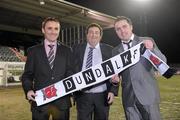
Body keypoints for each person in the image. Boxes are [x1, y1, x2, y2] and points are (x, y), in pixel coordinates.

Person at [112, 16, 167, 120]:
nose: (122, 31)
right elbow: (115, 75)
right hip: (129, 100)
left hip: (148, 96)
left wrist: (153, 49)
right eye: (118, 29)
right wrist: (114, 80)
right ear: (115, 32)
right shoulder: (115, 51)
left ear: (131, 27)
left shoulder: (146, 41)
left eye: (124, 26)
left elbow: (163, 62)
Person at [21, 17, 72, 120]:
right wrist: (29, 90)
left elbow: (70, 73)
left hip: (62, 103)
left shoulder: (67, 50)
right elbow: (27, 75)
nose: (53, 32)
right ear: (43, 30)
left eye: (56, 29)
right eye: (49, 28)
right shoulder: (33, 51)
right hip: (40, 102)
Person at [72, 23, 119, 120]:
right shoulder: (76, 49)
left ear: (100, 36)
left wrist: (112, 91)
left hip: (102, 96)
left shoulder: (110, 50)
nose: (94, 35)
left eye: (96, 33)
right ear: (87, 35)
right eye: (91, 32)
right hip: (83, 95)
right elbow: (71, 70)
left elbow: (116, 71)